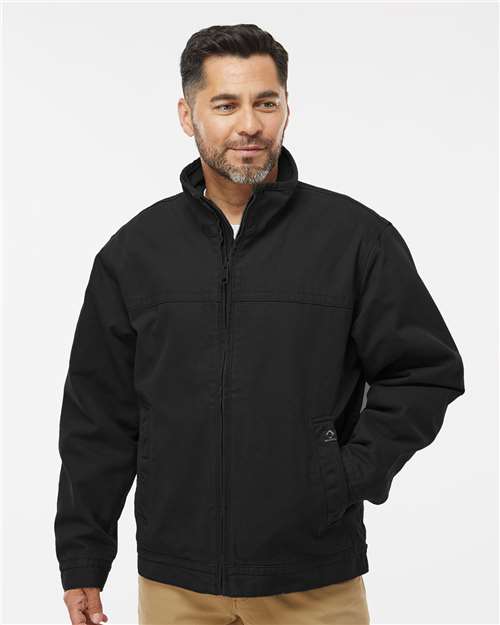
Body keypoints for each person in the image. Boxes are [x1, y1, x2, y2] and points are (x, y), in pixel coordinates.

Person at [54, 23, 465, 625]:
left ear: (286, 110)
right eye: (226, 105)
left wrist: (343, 476)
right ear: (187, 115)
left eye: (265, 103)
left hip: (314, 581)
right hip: (176, 585)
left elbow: (425, 372)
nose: (249, 124)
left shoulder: (355, 240)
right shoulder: (134, 254)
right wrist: (84, 558)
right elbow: (98, 416)